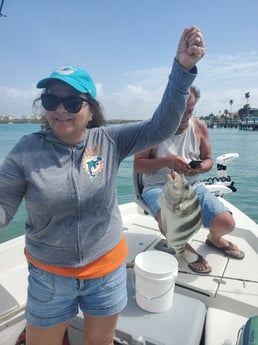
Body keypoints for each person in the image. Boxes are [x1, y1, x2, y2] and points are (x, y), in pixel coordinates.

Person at [0, 26, 205, 345]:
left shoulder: (110, 140)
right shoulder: (26, 150)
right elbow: (3, 204)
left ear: (91, 108)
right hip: (48, 275)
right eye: (51, 100)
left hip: (106, 271)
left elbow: (161, 126)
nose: (60, 109)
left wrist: (181, 71)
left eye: (72, 103)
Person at [134, 86, 245, 274]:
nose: (185, 116)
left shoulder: (199, 127)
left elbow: (209, 159)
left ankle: (214, 239)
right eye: (180, 110)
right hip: (157, 186)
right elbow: (138, 165)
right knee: (168, 221)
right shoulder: (152, 128)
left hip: (191, 185)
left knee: (227, 223)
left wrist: (201, 167)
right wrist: (168, 161)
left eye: (190, 111)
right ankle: (184, 249)